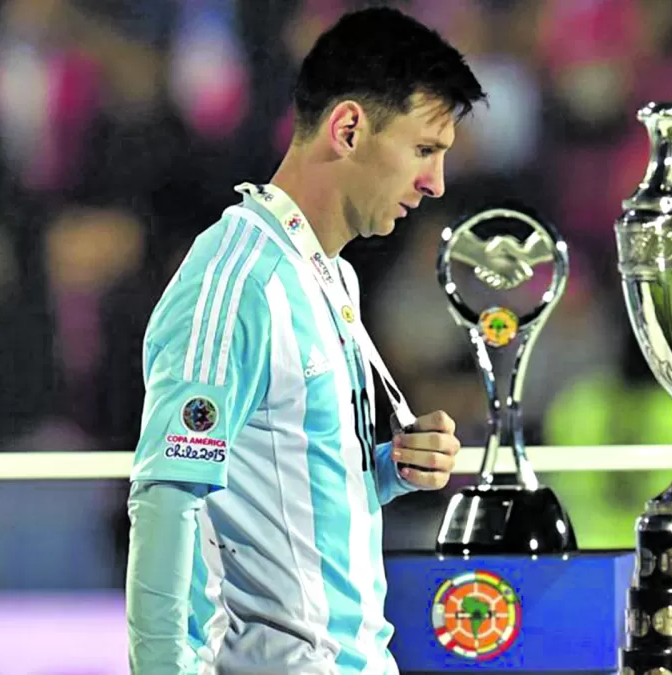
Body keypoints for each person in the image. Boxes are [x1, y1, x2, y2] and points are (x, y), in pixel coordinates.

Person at [124, 7, 486, 673]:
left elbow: (280, 490)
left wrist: (385, 470)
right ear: (349, 128)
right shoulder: (236, 284)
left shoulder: (331, 278)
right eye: (424, 150)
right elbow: (167, 496)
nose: (435, 183)